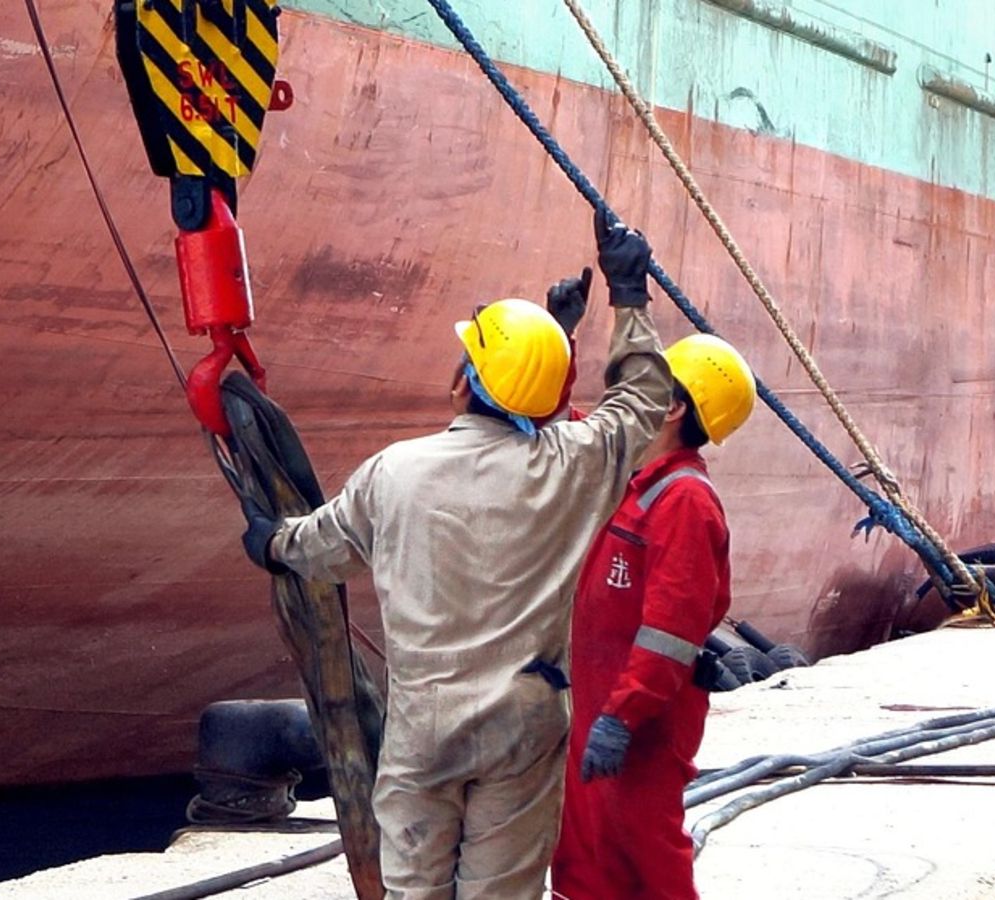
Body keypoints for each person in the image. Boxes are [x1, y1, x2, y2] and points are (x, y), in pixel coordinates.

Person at [239, 212, 674, 899]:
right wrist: (629, 296)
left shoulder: (395, 473)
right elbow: (643, 403)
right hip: (525, 722)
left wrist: (270, 541)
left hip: (426, 729)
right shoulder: (573, 467)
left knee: (413, 890)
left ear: (463, 380)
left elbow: (321, 549)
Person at [550, 333, 758, 900]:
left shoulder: (684, 502)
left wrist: (623, 717)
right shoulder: (631, 476)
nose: (621, 395)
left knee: (643, 853)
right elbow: (552, 430)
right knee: (586, 856)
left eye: (641, 385)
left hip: (638, 720)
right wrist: (559, 345)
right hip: (599, 703)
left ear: (672, 407)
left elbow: (672, 631)